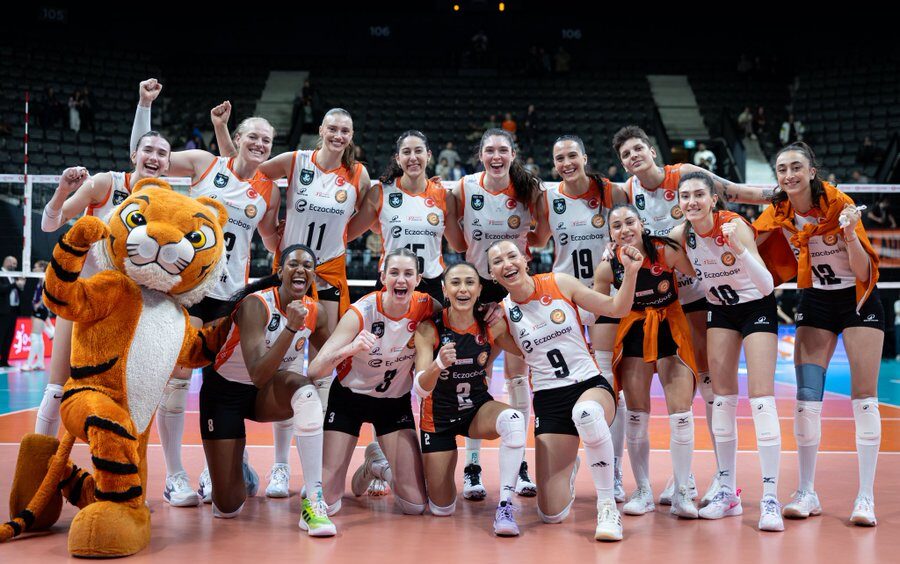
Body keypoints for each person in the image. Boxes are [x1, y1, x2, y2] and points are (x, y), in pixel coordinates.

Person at [132, 79, 282, 505]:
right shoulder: (204, 163)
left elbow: (271, 240)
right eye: (253, 136)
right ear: (238, 138)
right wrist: (145, 105)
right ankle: (174, 475)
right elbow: (146, 158)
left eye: (266, 140)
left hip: (232, 295)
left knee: (227, 384)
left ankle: (226, 466)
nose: (259, 144)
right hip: (191, 289)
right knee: (180, 375)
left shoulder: (268, 192)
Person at [612, 125, 773, 507]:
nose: (633, 157)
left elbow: (731, 191)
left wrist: (779, 194)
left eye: (638, 149)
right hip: (659, 301)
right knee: (677, 394)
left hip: (698, 294)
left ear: (652, 150)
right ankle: (678, 478)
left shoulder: (684, 175)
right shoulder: (627, 190)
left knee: (709, 385)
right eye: (626, 154)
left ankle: (722, 476)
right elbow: (620, 228)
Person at [754, 142, 883, 526]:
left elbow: (863, 273)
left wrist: (849, 235)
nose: (789, 174)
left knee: (864, 400)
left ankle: (865, 497)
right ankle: (806, 491)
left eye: (796, 167)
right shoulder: (778, 212)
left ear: (812, 171)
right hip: (815, 302)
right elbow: (751, 240)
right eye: (782, 169)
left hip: (857, 299)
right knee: (806, 400)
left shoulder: (839, 205)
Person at [487, 239, 643, 542]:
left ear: (525, 259)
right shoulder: (502, 315)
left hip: (588, 385)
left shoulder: (559, 282)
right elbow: (514, 351)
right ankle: (570, 466)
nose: (507, 264)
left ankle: (607, 507)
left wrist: (632, 272)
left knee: (587, 414)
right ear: (492, 274)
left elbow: (618, 307)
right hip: (549, 399)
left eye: (511, 256)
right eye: (498, 262)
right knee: (551, 513)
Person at [34, 131, 172, 435]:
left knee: (125, 396)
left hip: (124, 311)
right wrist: (63, 190)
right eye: (148, 150)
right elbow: (48, 224)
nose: (154, 157)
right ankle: (39, 456)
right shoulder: (106, 184)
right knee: (56, 389)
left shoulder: (165, 204)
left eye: (162, 153)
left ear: (167, 164)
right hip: (83, 297)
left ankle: (116, 459)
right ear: (134, 155)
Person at [670, 171, 784, 532]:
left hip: (756, 307)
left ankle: (770, 498)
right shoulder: (681, 235)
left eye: (698, 194)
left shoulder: (734, 225)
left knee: (761, 400)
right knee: (722, 399)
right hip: (720, 310)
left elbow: (766, 285)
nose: (692, 201)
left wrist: (738, 250)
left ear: (713, 199)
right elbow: (649, 251)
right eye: (685, 196)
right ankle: (727, 491)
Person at [201, 245, 336, 536]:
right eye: (293, 264)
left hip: (263, 395)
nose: (300, 270)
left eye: (308, 265)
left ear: (314, 275)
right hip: (224, 393)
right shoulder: (256, 305)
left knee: (305, 391)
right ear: (280, 271)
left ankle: (314, 500)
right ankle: (240, 468)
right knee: (227, 508)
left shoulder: (317, 312)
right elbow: (258, 374)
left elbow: (335, 357)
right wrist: (291, 328)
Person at [531, 134, 630, 499]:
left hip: (604, 294)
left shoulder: (611, 193)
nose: (566, 163)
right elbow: (537, 239)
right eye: (559, 158)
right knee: (565, 383)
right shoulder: (548, 198)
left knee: (607, 383)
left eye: (572, 155)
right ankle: (568, 464)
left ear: (585, 157)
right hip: (563, 301)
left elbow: (632, 228)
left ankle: (613, 469)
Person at [445, 128, 540, 500]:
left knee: (518, 375)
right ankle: (472, 468)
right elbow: (455, 239)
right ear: (480, 155)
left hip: (515, 287)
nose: (496, 156)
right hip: (477, 290)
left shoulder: (529, 190)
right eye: (490, 150)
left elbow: (542, 237)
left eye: (503, 150)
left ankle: (519, 466)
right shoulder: (464, 187)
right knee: (476, 375)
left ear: (513, 154)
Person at [307, 249, 438, 517]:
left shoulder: (427, 306)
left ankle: (377, 467)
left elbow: (461, 312)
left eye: (408, 274)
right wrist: (351, 348)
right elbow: (315, 369)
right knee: (328, 504)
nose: (401, 280)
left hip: (393, 403)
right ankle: (370, 467)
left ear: (418, 280)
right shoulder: (361, 312)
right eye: (394, 273)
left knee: (414, 506)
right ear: (383, 276)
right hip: (349, 400)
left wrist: (489, 311)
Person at [594, 204, 699, 518]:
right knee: (637, 416)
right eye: (616, 226)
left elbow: (700, 275)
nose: (624, 229)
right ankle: (642, 490)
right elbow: (599, 309)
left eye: (629, 222)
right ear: (610, 234)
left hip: (671, 328)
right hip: (634, 331)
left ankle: (682, 490)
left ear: (641, 224)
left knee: (681, 414)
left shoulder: (666, 251)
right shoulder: (607, 267)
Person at [414, 262, 527, 535]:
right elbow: (421, 389)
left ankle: (505, 505)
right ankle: (387, 469)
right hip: (438, 418)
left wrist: (510, 313)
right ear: (444, 290)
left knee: (514, 420)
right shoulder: (429, 328)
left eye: (469, 282)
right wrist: (438, 364)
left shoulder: (489, 324)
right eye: (455, 283)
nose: (462, 289)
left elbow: (525, 349)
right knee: (442, 508)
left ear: (478, 290)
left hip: (476, 410)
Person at [348, 130, 450, 303]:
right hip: (390, 283)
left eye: (418, 151)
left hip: (430, 285)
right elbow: (347, 233)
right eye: (406, 152)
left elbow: (460, 244)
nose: (413, 157)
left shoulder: (443, 195)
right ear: (397, 158)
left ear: (429, 155)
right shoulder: (380, 192)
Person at [22, 261, 53, 372]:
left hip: (41, 309)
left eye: (35, 267)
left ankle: (28, 364)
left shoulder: (44, 278)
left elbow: (47, 294)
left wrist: (38, 304)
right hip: (40, 310)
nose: (33, 269)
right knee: (38, 337)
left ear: (41, 268)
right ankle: (40, 363)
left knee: (35, 336)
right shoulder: (40, 279)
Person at [0, 256, 25, 370]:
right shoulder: (1, 274)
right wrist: (15, 284)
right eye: (13, 263)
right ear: (7, 262)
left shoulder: (13, 276)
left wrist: (20, 285)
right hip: (3, 312)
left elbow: (17, 290)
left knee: (9, 337)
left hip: (13, 311)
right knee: (1, 336)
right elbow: (2, 289)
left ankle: (4, 361)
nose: (15, 266)